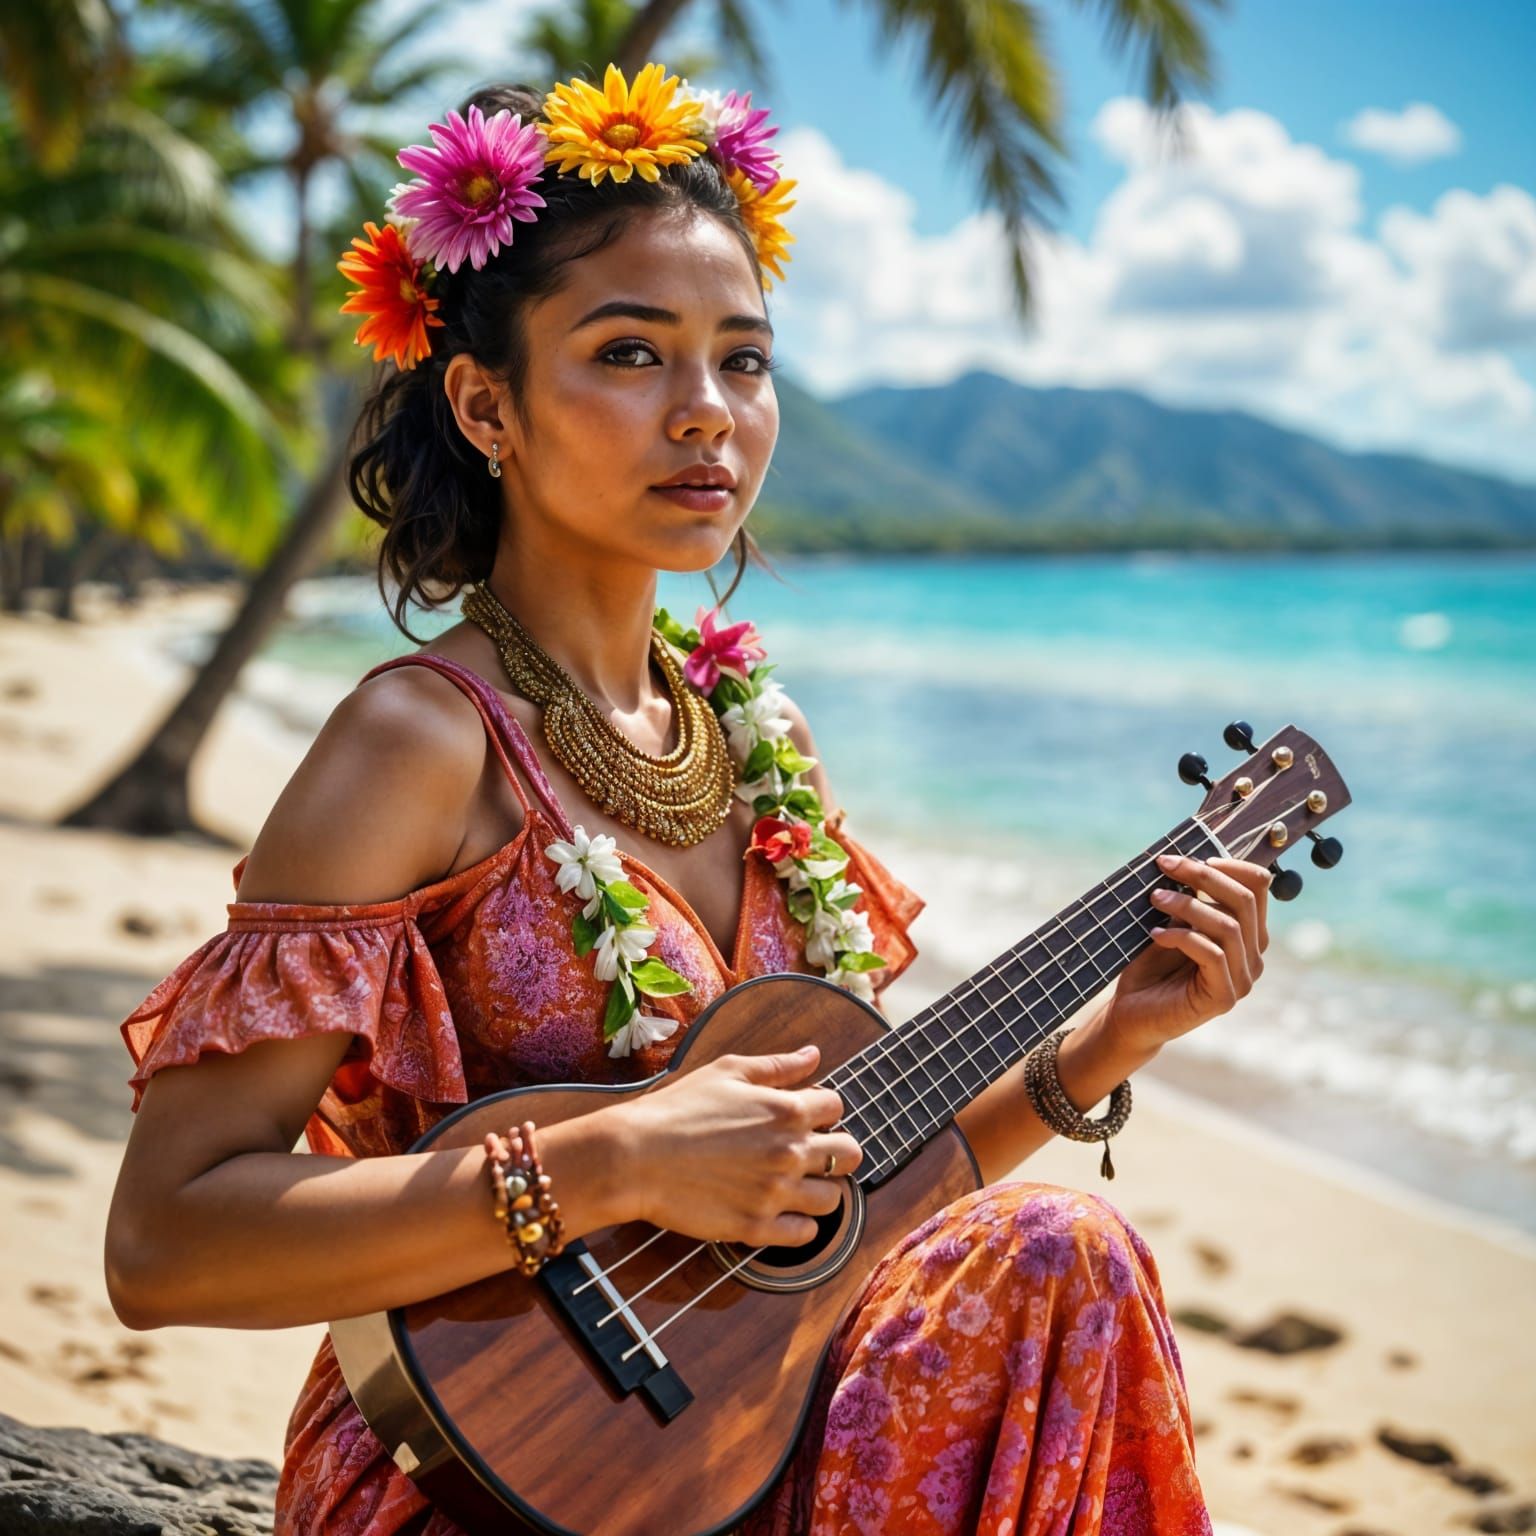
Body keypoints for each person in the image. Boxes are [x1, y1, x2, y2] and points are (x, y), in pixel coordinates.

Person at [105, 65, 1272, 1536]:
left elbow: (846, 1210)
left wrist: (1112, 1040)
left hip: (754, 1442)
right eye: (632, 353)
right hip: (490, 1478)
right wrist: (615, 1162)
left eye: (745, 360)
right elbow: (163, 1247)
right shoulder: (418, 742)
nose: (707, 414)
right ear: (485, 402)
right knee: (1069, 1251)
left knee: (1055, 1254)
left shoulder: (753, 731)